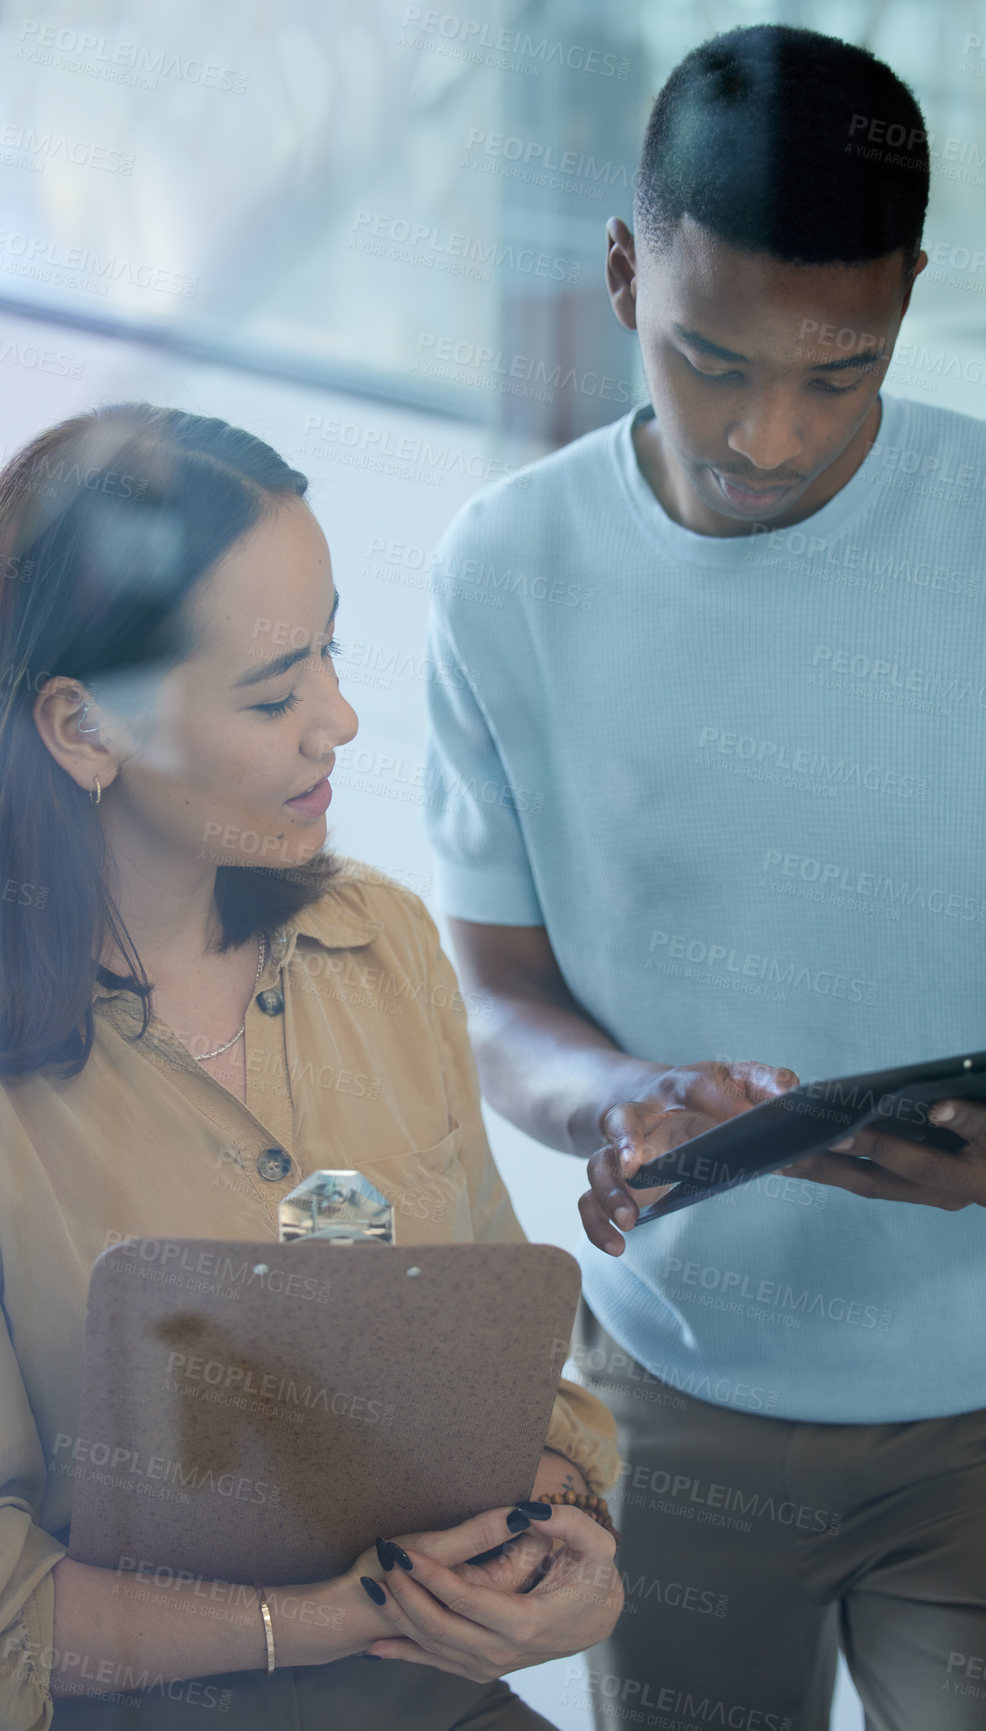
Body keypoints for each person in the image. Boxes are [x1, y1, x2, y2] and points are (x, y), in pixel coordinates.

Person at [422, 22, 986, 1731]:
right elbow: (498, 1002)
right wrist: (616, 1098)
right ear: (621, 272)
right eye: (711, 360)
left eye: (842, 373)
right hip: (666, 1400)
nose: (768, 436)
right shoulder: (504, 570)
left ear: (904, 292)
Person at [0, 402, 623, 1730]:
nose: (338, 719)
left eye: (329, 648)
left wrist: (564, 1537)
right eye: (273, 692)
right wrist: (327, 1621)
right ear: (80, 727)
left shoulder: (381, 944)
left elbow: (515, 1382)